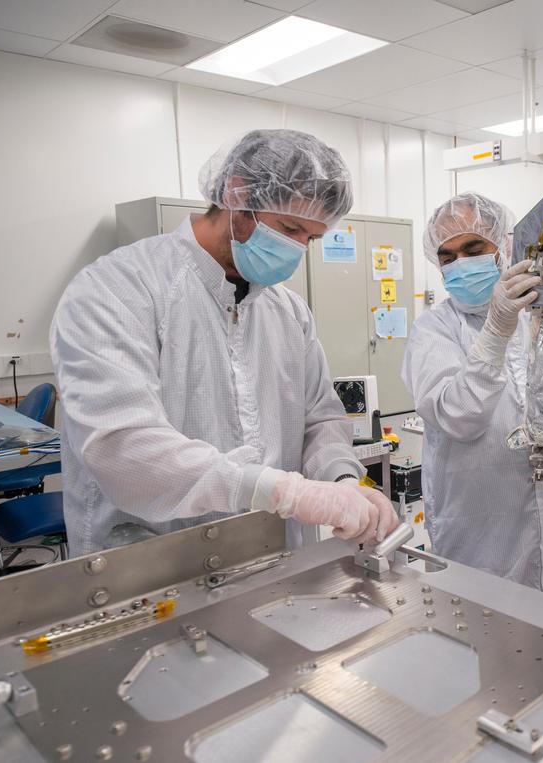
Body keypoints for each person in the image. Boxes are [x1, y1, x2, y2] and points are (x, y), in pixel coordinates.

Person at [51, 129, 398, 555]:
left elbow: (320, 421)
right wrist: (287, 494)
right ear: (237, 193)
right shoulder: (118, 288)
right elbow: (123, 447)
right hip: (150, 560)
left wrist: (343, 481)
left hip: (268, 555)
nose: (298, 249)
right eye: (290, 227)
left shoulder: (288, 312)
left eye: (312, 238)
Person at [402, 192, 543, 600]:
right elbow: (458, 416)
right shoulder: (433, 330)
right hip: (475, 526)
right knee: (479, 633)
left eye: (473, 248)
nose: (460, 263)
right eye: (447, 257)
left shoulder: (542, 318)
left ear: (505, 247)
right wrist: (496, 330)